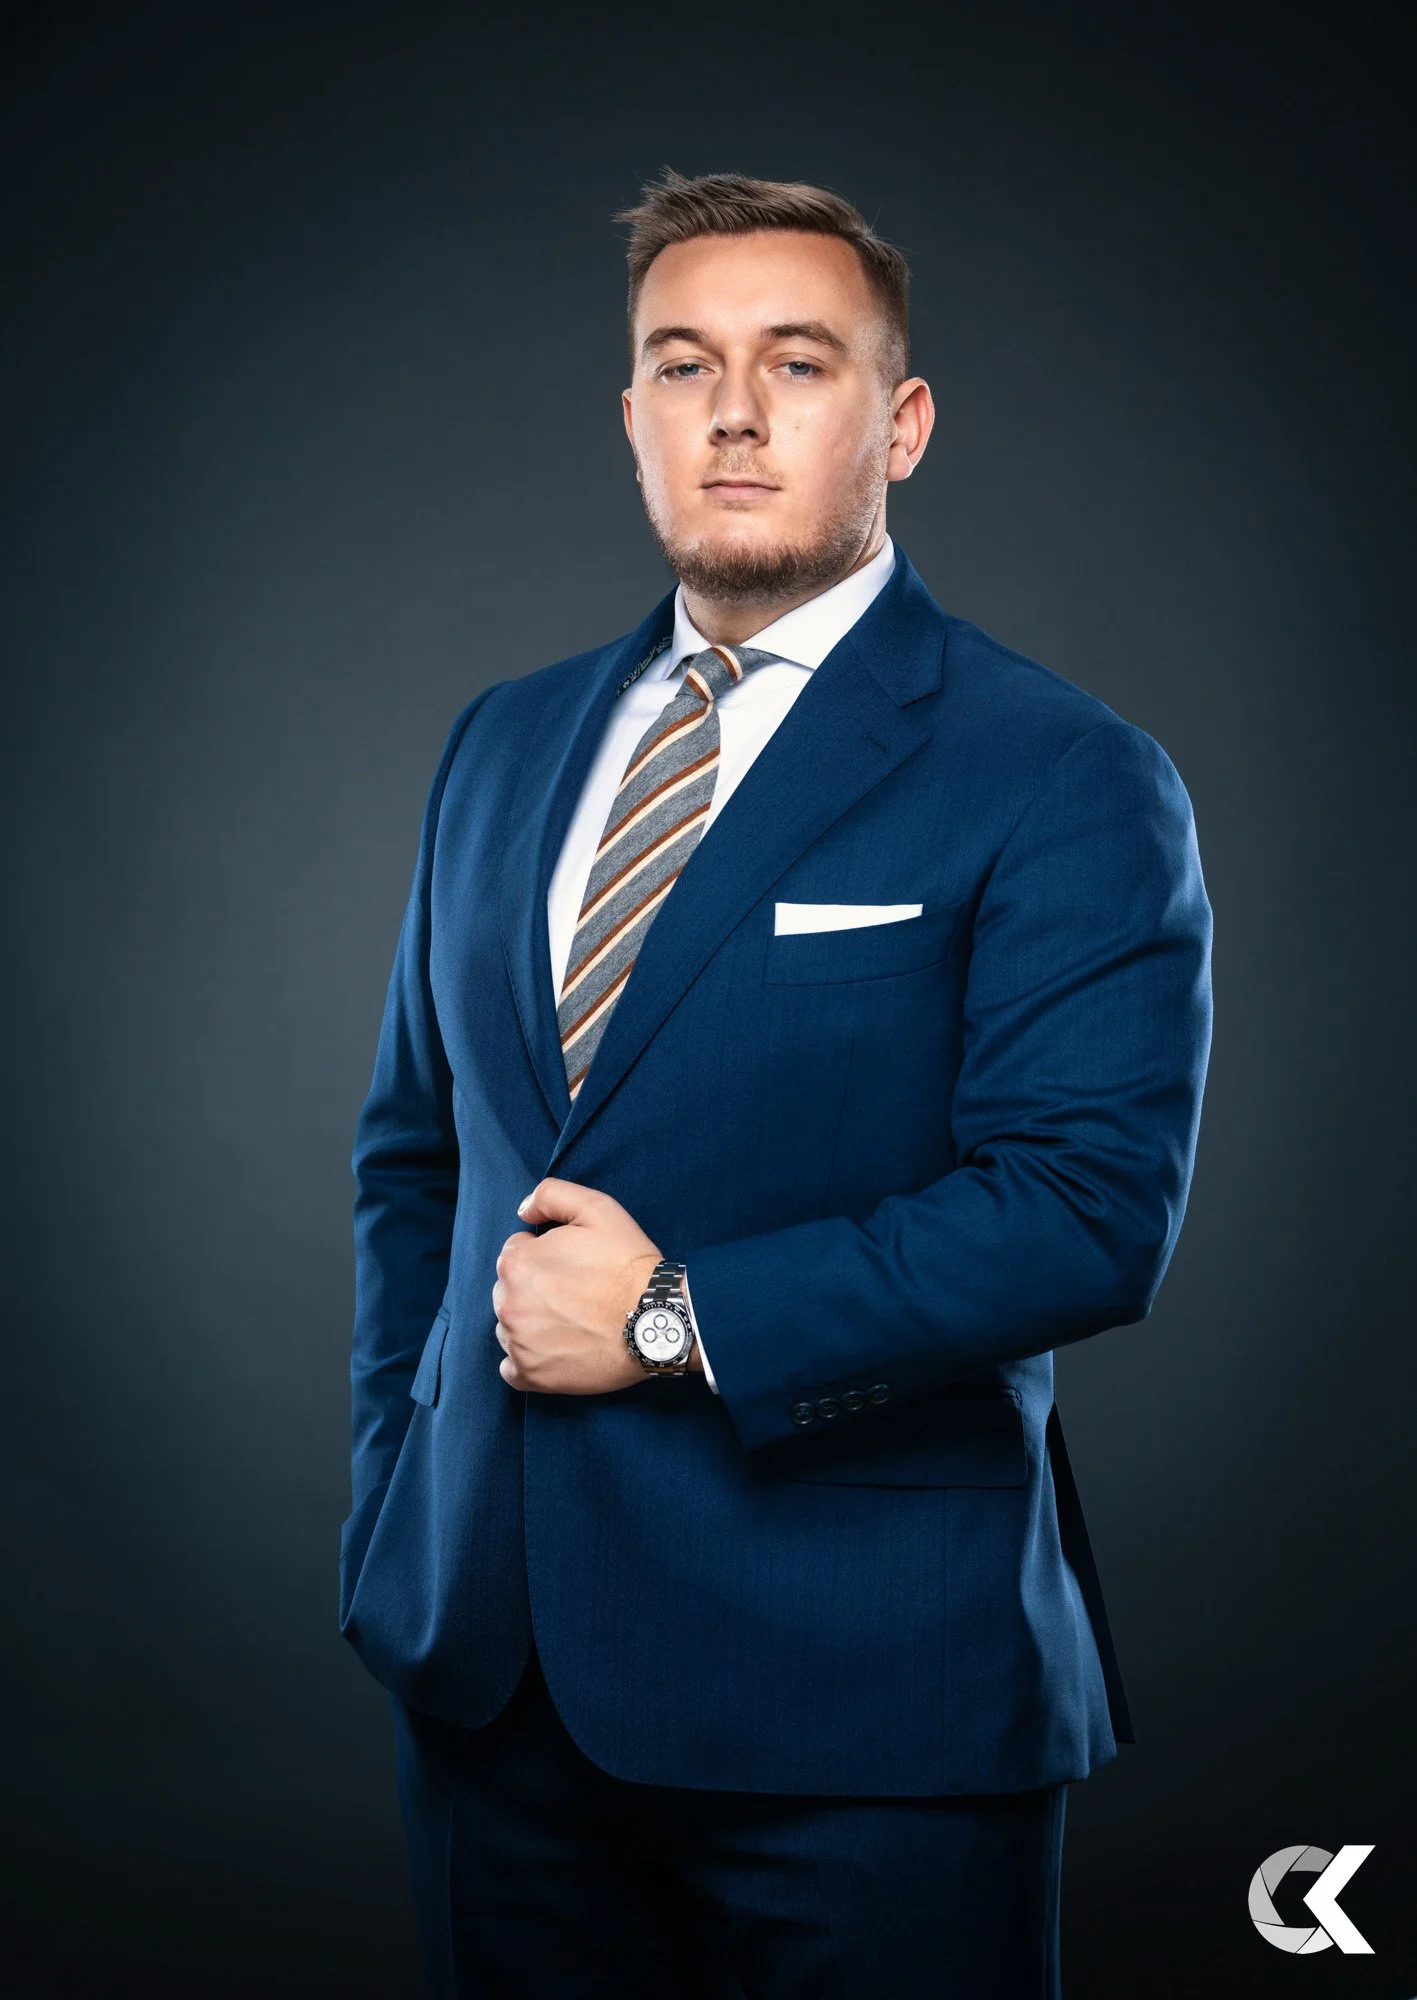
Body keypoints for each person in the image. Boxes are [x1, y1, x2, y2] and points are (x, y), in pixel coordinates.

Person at [341, 169, 1213, 1998]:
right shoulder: (501, 742)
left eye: (797, 362)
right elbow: (418, 1159)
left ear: (902, 422)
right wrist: (394, 1509)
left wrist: (671, 1318)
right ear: (633, 417)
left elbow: (1083, 1214)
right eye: (685, 364)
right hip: (495, 1696)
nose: (733, 412)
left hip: (869, 1710)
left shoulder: (1060, 768)